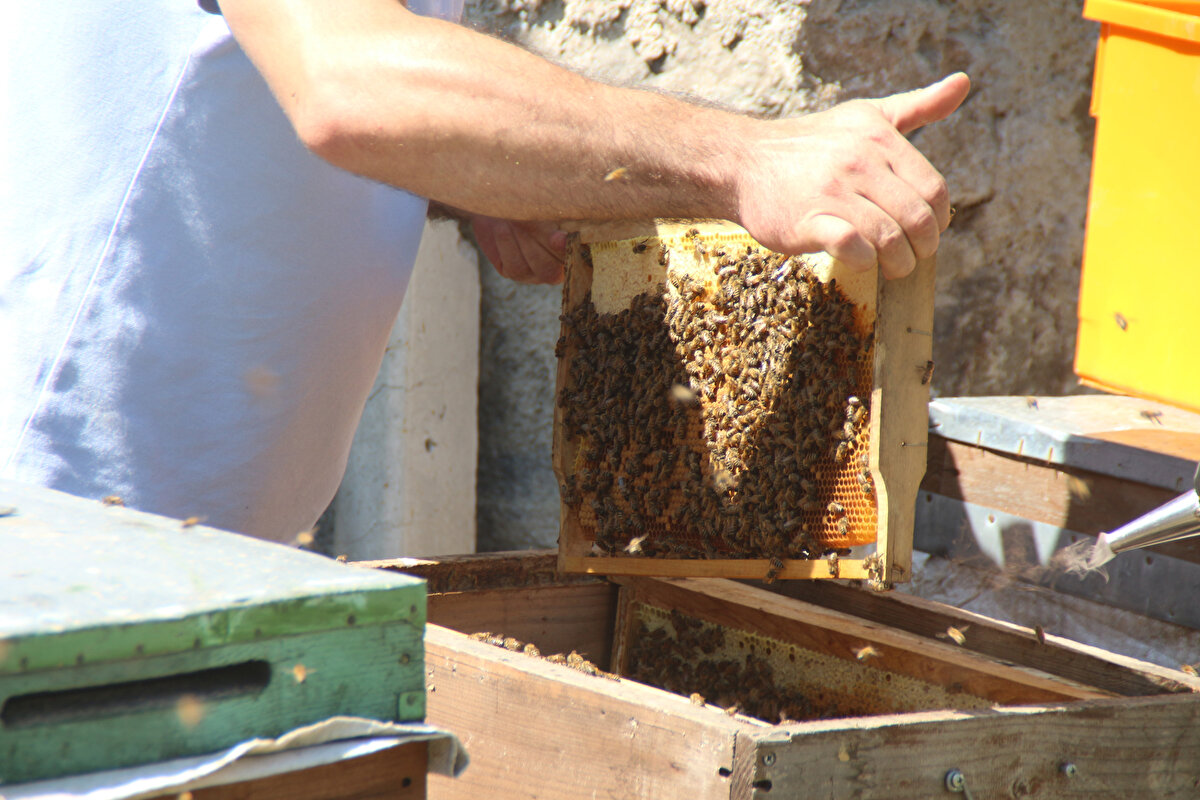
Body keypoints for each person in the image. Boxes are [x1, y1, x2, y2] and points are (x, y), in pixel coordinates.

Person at [0, 0, 969, 543]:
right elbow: (349, 78)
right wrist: (744, 157)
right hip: (48, 530)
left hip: (186, 552)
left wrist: (474, 173)